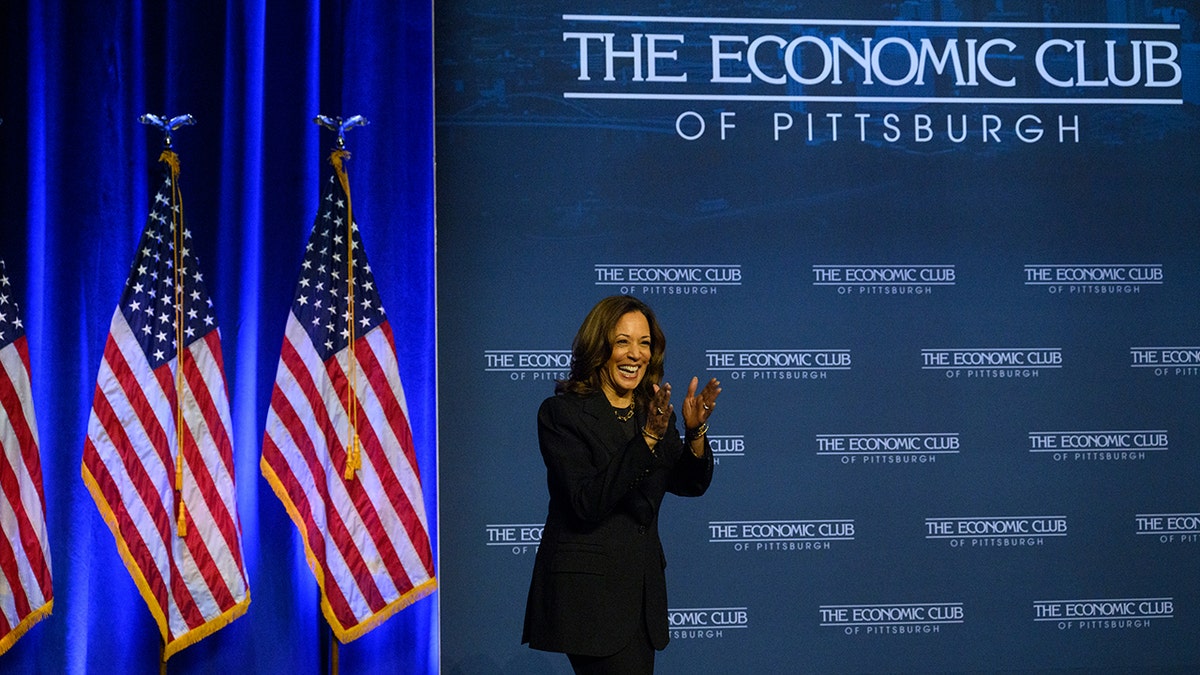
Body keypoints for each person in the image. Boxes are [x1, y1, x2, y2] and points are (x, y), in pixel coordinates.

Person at [522, 295, 722, 675]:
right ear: (600, 347)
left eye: (644, 343)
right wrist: (647, 438)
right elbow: (586, 501)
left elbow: (688, 482)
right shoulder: (562, 414)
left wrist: (695, 431)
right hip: (590, 600)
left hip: (640, 596)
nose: (635, 354)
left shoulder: (651, 411)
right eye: (623, 342)